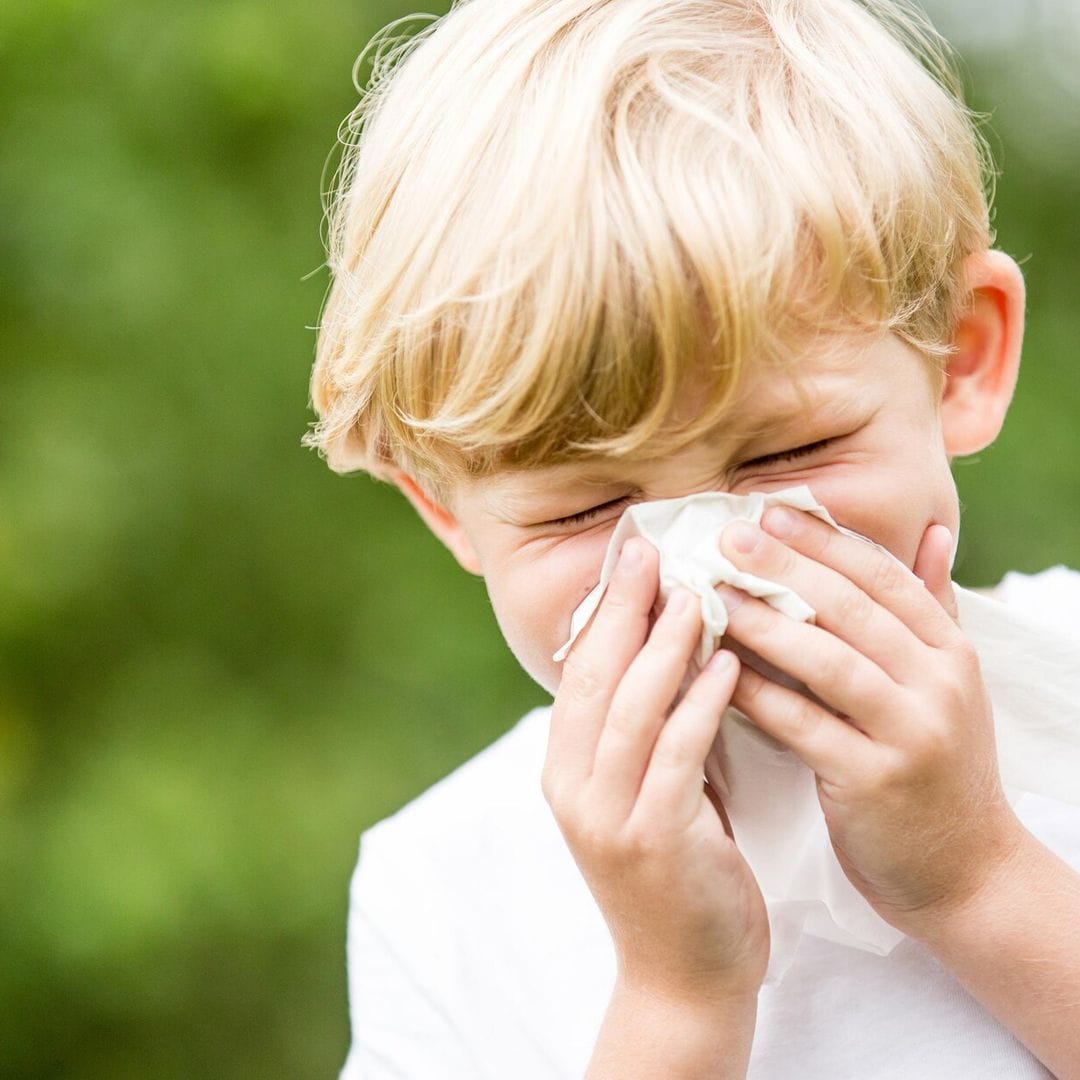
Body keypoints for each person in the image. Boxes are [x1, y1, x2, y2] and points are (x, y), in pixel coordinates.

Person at [305, 0, 1080, 1075]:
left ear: (962, 359)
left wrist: (980, 878)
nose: (700, 559)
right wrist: (677, 994)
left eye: (786, 454)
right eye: (583, 507)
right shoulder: (444, 892)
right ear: (448, 507)